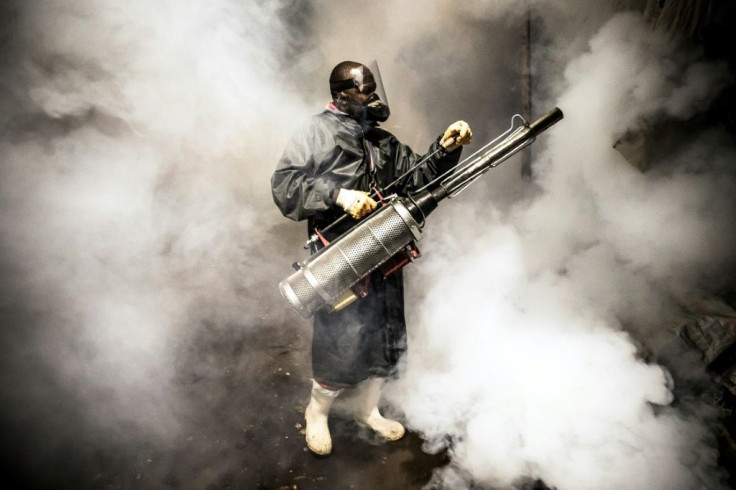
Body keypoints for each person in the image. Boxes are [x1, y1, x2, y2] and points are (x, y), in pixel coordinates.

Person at [271, 60, 472, 455]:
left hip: (384, 251)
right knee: (338, 341)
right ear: (342, 94)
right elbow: (285, 184)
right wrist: (338, 195)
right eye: (366, 89)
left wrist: (446, 150)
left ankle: (368, 409)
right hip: (340, 257)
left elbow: (417, 175)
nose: (374, 95)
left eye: (374, 87)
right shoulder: (313, 132)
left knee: (385, 334)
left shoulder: (382, 140)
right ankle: (317, 413)